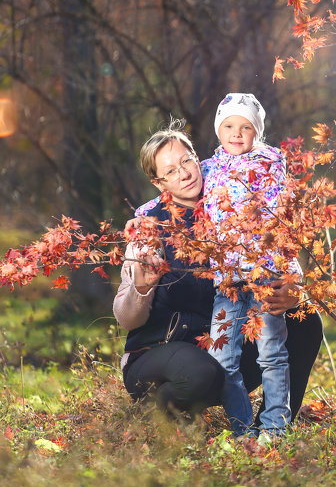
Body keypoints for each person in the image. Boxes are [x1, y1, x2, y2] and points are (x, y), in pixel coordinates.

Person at [113, 119, 323, 425]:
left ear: (199, 160)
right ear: (159, 183)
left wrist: (294, 288)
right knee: (201, 372)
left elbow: (273, 249)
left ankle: (274, 425)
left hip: (221, 345)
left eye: (186, 161)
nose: (183, 173)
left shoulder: (230, 205)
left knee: (305, 321)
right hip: (158, 352)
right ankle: (156, 417)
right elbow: (126, 318)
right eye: (170, 171)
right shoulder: (151, 227)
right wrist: (142, 287)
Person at [202, 93, 300, 437]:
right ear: (218, 130)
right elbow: (175, 193)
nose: (236, 133)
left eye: (246, 127)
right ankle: (242, 428)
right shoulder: (208, 168)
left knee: (271, 354)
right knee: (221, 357)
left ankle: (275, 425)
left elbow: (281, 217)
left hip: (265, 276)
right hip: (227, 281)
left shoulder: (270, 162)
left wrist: (289, 270)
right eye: (228, 125)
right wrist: (143, 213)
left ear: (257, 131)